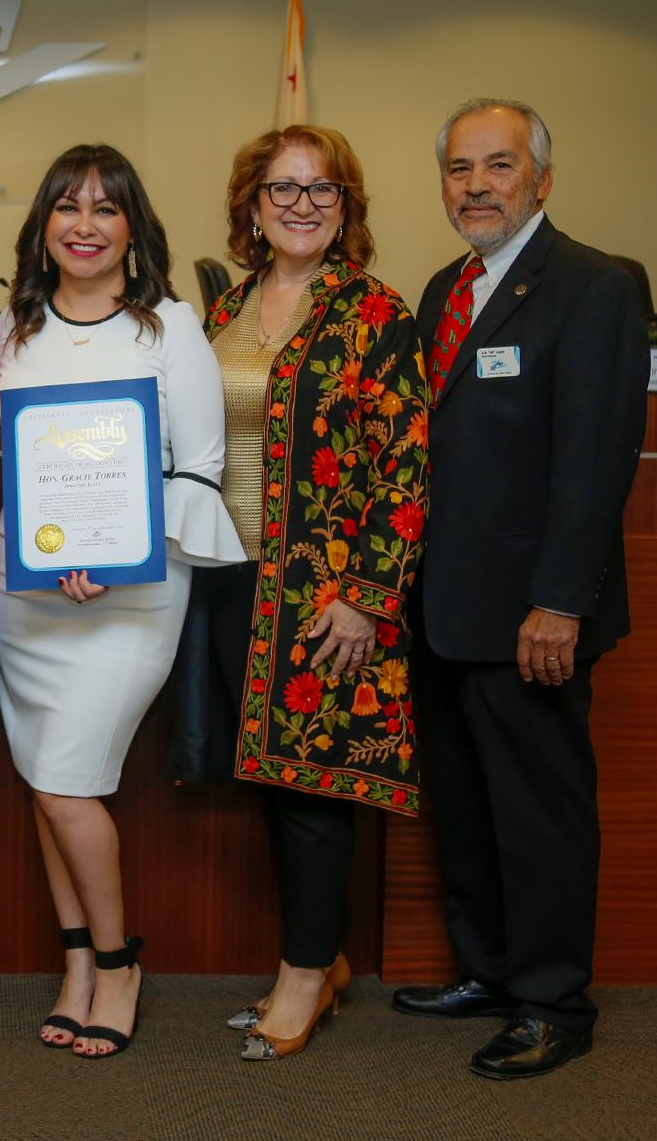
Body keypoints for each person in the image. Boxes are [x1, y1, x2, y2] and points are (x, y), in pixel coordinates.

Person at [395, 99, 649, 1080]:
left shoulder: (593, 287)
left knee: (540, 810)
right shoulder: (445, 288)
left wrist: (562, 599)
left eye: (499, 166)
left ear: (541, 177)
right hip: (445, 610)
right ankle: (491, 972)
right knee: (465, 802)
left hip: (532, 613)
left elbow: (595, 459)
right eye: (460, 169)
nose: (477, 185)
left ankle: (553, 1002)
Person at [0, 144, 242, 1059]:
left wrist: (110, 551)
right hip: (30, 592)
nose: (84, 225)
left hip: (130, 592)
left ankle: (120, 962)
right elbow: (3, 462)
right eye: (66, 207)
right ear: (43, 225)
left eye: (105, 208)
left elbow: (199, 467)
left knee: (65, 782)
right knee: (48, 781)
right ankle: (78, 966)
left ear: (133, 227)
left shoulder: (168, 326)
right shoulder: (9, 328)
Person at [187, 124, 428, 1060]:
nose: (300, 205)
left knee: (312, 788)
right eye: (281, 190)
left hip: (323, 592)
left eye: (320, 190)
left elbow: (405, 466)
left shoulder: (376, 311)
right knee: (266, 780)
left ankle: (302, 980)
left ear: (346, 207)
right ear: (251, 206)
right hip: (226, 578)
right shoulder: (223, 310)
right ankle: (318, 958)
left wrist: (367, 595)